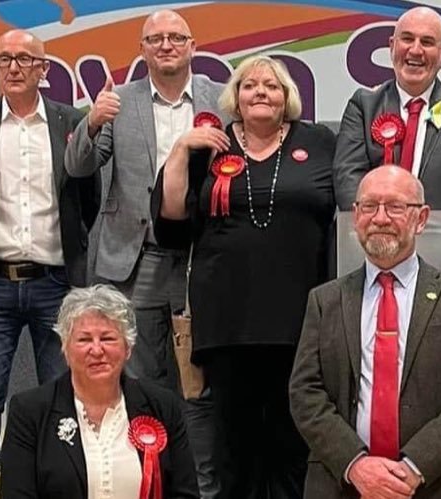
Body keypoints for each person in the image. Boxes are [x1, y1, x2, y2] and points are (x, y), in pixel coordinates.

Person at [154, 55, 336, 498]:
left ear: (287, 96)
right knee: (234, 446)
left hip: (300, 318)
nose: (260, 92)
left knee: (291, 442)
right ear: (234, 97)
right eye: (249, 85)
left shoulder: (318, 140)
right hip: (227, 321)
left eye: (271, 85)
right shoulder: (210, 146)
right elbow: (171, 222)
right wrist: (179, 150)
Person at [65, 11, 225, 496]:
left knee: (200, 381)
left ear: (193, 45)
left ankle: (203, 485)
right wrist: (90, 124)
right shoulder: (121, 101)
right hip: (135, 259)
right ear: (143, 49)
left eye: (176, 37)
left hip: (204, 256)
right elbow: (77, 166)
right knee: (143, 376)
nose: (166, 45)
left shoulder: (222, 97)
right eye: (155, 39)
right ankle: (149, 482)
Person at [0, 29, 97, 499]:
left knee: (60, 399)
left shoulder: (72, 121)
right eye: (4, 58)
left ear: (43, 69)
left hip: (57, 284)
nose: (13, 67)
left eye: (25, 59)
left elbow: (86, 199)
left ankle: (53, 489)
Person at [289, 166, 441, 499]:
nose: (381, 218)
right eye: (369, 206)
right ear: (356, 216)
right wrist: (356, 464)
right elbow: (304, 393)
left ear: (421, 217)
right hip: (344, 482)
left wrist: (413, 468)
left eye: (396, 207)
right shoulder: (324, 301)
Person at [0, 285, 199, 499]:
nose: (96, 350)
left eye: (108, 338)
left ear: (128, 347)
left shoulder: (162, 406)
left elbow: (185, 494)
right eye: (84, 340)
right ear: (65, 349)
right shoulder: (29, 411)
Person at [333, 6, 441, 211]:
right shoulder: (364, 105)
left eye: (427, 42)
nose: (415, 50)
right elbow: (348, 177)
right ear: (392, 46)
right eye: (407, 39)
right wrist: (376, 227)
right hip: (374, 236)